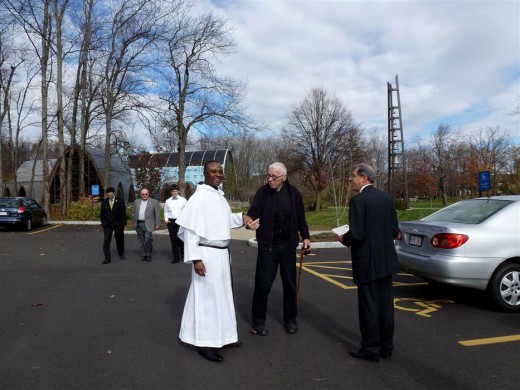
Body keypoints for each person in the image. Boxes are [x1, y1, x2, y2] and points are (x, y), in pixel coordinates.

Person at [176, 160, 259, 363]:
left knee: (222, 297)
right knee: (207, 300)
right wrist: (196, 260)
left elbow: (227, 220)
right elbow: (190, 230)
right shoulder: (199, 198)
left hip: (222, 255)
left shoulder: (218, 196)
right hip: (206, 255)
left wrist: (245, 219)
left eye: (220, 172)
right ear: (204, 174)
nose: (218, 175)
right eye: (213, 171)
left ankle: (224, 337)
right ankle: (205, 343)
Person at [337, 163, 399, 363]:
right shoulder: (386, 198)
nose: (350, 179)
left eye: (352, 175)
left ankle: (370, 349)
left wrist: (343, 238)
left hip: (367, 263)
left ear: (364, 178)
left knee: (368, 308)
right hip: (386, 261)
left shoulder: (359, 200)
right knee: (385, 307)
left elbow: (357, 234)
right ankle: (386, 347)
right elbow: (393, 231)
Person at [245, 162, 311, 336]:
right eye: (268, 175)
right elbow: (252, 213)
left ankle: (290, 320)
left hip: (288, 246)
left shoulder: (293, 193)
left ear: (284, 177)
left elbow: (301, 218)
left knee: (290, 284)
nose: (270, 179)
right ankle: (259, 322)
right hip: (268, 247)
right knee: (262, 284)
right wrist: (249, 222)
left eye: (274, 176)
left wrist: (306, 237)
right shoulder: (262, 193)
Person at [100, 186, 127, 264]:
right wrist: (103, 223)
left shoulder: (120, 201)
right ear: (107, 195)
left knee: (119, 239)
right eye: (108, 195)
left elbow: (123, 213)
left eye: (111, 195)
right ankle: (107, 258)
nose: (110, 196)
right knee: (106, 240)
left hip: (118, 224)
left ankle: (121, 253)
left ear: (114, 193)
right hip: (107, 225)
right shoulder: (104, 202)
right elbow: (102, 214)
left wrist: (123, 224)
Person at [132, 188, 161, 262]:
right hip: (139, 224)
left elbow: (157, 214)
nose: (144, 195)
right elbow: (134, 212)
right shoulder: (136, 202)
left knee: (147, 240)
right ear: (140, 194)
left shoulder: (154, 202)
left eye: (146, 194)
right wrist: (134, 221)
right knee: (142, 240)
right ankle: (144, 254)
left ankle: (148, 255)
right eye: (143, 194)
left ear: (148, 194)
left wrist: (157, 224)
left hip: (149, 224)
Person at [164, 184, 187, 263]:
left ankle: (183, 255)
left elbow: (186, 211)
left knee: (181, 239)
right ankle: (176, 257)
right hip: (171, 221)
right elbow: (166, 211)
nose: (174, 193)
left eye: (176, 191)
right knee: (173, 240)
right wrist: (166, 219)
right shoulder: (168, 201)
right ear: (171, 192)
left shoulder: (183, 200)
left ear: (178, 191)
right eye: (173, 191)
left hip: (180, 221)